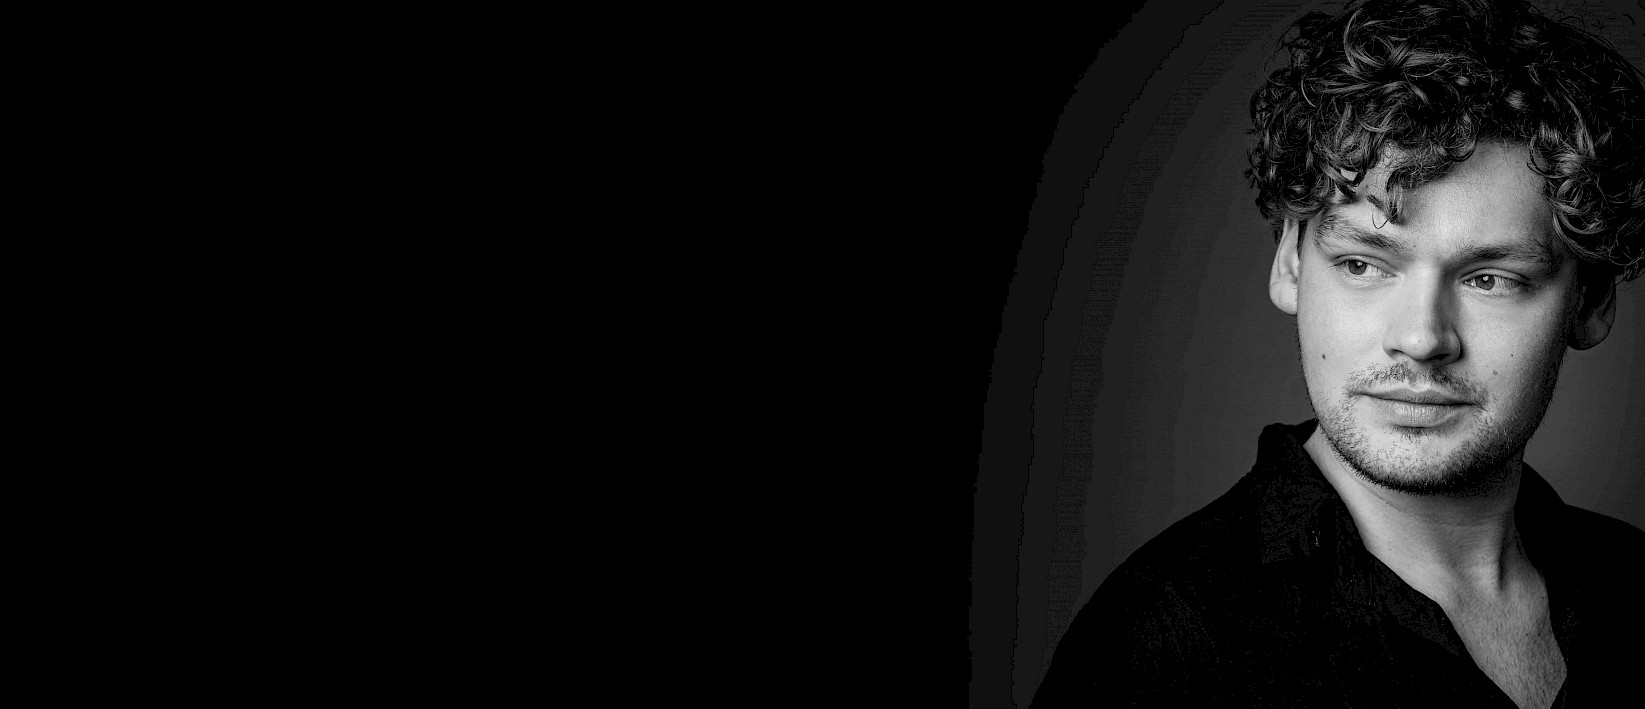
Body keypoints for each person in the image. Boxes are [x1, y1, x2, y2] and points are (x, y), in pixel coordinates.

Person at [1030, 0, 1644, 706]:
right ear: (1290, 263)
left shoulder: (1632, 584)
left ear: (1591, 302)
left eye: (1490, 279)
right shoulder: (1158, 646)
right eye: (1363, 264)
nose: (1421, 338)